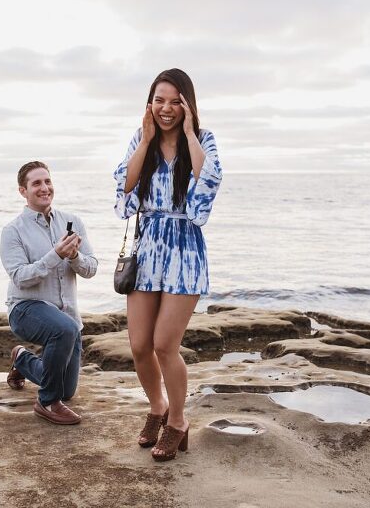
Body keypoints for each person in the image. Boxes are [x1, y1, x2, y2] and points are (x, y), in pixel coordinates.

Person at [113, 68, 222, 460]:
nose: (166, 108)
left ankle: (178, 421)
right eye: (159, 100)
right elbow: (123, 190)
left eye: (176, 101)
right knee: (140, 344)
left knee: (164, 344)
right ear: (149, 104)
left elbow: (206, 186)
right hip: (147, 251)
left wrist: (191, 134)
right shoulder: (142, 141)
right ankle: (157, 407)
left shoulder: (204, 141)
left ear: (188, 106)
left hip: (184, 252)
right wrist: (144, 140)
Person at [1, 161, 98, 425]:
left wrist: (74, 255)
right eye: (36, 183)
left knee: (66, 390)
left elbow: (91, 269)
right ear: (23, 191)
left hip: (66, 316)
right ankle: (46, 403)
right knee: (64, 330)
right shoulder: (13, 231)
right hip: (25, 308)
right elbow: (20, 277)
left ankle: (21, 358)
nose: (44, 188)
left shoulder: (72, 221)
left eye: (47, 181)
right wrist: (55, 255)